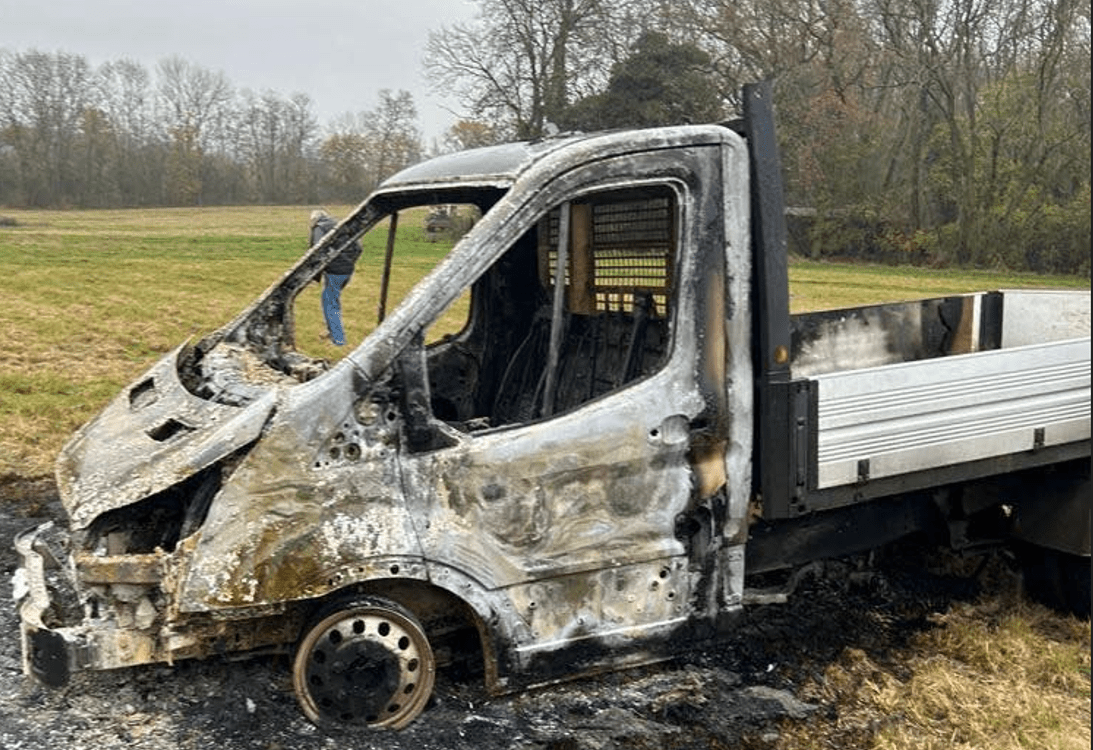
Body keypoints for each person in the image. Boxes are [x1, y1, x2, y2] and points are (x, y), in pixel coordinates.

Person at [309, 209, 361, 346]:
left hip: (334, 271)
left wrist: (315, 277)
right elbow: (359, 247)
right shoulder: (340, 226)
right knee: (333, 300)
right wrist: (349, 262)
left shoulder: (319, 228)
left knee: (330, 304)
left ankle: (338, 340)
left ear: (315, 220)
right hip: (348, 270)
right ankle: (332, 332)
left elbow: (317, 251)